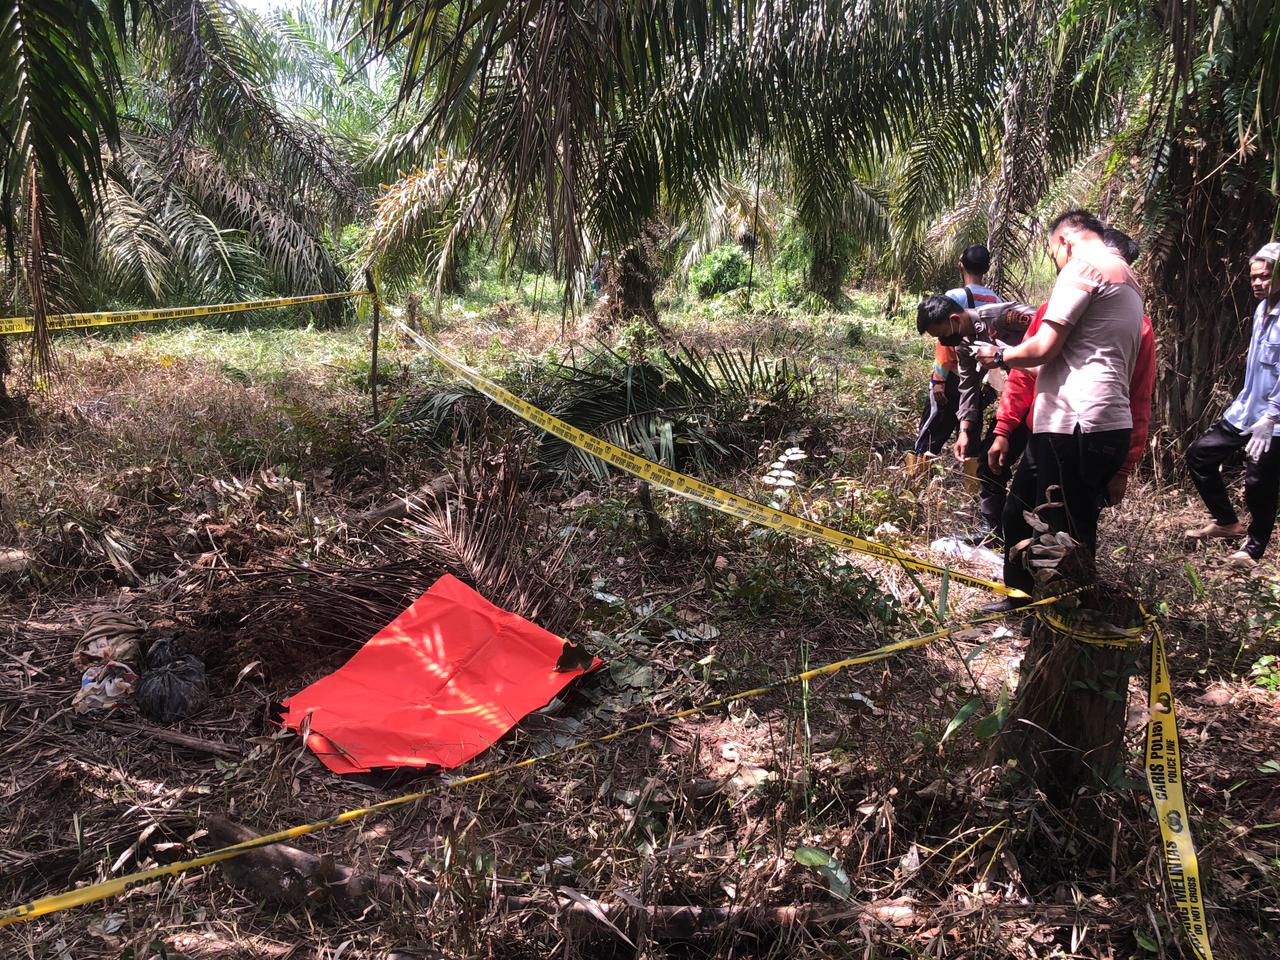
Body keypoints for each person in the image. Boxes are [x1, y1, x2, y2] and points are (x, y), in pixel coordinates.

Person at [974, 210, 1145, 610]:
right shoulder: (1128, 281)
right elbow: (1058, 362)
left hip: (1078, 425)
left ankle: (1058, 624)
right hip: (1079, 425)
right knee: (1019, 511)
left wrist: (999, 356)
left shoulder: (1084, 267)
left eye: (1053, 254)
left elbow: (1044, 348)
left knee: (1061, 531)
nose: (1056, 263)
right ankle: (1020, 598)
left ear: (1066, 241)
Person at [1184, 242, 1280, 569]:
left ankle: (1253, 549)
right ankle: (1226, 521)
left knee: (1258, 485)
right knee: (1200, 454)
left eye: (1265, 277)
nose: (1257, 283)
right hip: (1247, 410)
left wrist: (1272, 415)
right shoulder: (1261, 310)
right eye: (1254, 277)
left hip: (1273, 420)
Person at [916, 289, 1034, 542]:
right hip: (1018, 402)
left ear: (955, 321)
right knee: (990, 461)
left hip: (1048, 398)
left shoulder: (1003, 317)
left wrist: (1004, 357)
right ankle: (994, 532)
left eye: (942, 336)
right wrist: (965, 430)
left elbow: (1052, 336)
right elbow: (968, 387)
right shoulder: (964, 345)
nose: (944, 343)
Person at [913, 245, 1001, 456]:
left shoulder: (954, 296)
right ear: (986, 268)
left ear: (961, 265)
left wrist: (938, 380)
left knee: (931, 431)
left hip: (953, 375)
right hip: (980, 377)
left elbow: (944, 342)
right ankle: (970, 482)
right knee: (970, 436)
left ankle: (917, 475)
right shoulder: (996, 300)